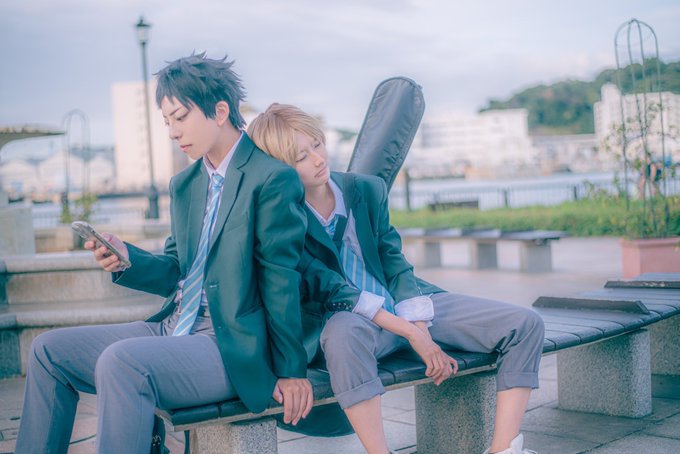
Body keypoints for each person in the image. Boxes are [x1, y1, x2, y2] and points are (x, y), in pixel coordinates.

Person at [15, 55, 313, 454]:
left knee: (122, 362)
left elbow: (281, 279)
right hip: (173, 327)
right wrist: (128, 259)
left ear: (220, 111)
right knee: (48, 351)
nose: (173, 132)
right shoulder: (185, 184)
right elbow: (177, 269)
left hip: (229, 345)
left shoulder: (271, 178)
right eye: (167, 121)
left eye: (180, 117)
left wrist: (292, 371)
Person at [248, 103, 544, 454]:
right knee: (342, 334)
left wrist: (418, 324)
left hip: (405, 306)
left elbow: (394, 261)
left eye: (317, 144)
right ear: (280, 168)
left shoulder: (365, 189)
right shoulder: (283, 217)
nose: (317, 159)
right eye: (301, 157)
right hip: (351, 321)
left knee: (525, 324)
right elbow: (330, 289)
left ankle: (503, 449)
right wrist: (413, 334)